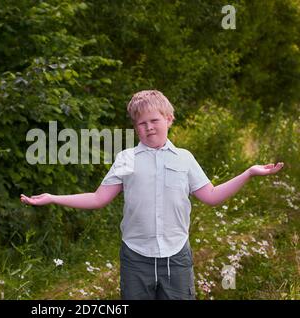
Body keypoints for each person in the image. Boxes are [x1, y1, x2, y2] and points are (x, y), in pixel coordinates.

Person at [20, 90, 284, 300]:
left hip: (176, 256)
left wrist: (248, 172)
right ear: (136, 127)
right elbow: (98, 198)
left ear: (169, 118)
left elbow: (212, 196)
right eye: (141, 123)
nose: (148, 127)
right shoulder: (126, 159)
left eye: (154, 120)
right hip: (136, 257)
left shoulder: (185, 159)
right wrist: (54, 198)